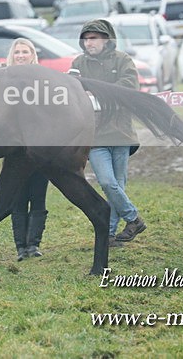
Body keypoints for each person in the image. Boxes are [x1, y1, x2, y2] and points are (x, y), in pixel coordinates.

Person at [70, 19, 146, 247]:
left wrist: (94, 89)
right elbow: (72, 87)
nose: (88, 43)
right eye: (85, 38)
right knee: (107, 182)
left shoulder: (123, 60)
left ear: (106, 39)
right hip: (94, 135)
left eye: (93, 38)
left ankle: (109, 236)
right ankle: (134, 219)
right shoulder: (78, 62)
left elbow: (130, 86)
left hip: (122, 133)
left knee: (118, 186)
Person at [6, 38, 49, 261]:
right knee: (18, 198)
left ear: (32, 54)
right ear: (12, 56)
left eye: (25, 51)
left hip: (39, 148)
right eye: (17, 52)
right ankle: (20, 247)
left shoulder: (42, 79)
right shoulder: (3, 80)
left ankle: (34, 245)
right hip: (14, 150)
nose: (21, 55)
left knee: (38, 196)